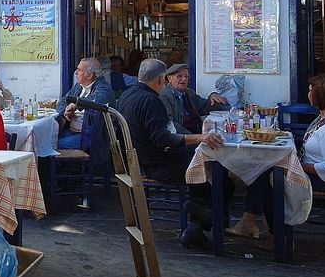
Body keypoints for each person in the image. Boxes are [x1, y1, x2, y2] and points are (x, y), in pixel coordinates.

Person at [117, 58, 232, 251]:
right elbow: (163, 138)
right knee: (216, 175)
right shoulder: (152, 100)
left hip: (140, 159)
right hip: (156, 165)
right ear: (162, 80)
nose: (184, 80)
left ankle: (201, 218)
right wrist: (199, 138)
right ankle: (203, 220)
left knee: (205, 170)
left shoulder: (128, 95)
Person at [229, 74, 325, 245]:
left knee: (269, 176)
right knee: (265, 169)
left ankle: (278, 237)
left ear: (322, 95)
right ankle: (253, 224)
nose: (309, 95)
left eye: (311, 91)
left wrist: (297, 166)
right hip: (316, 172)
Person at [57, 58, 115, 150]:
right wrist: (65, 111)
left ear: (90, 75)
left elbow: (95, 100)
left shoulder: (104, 88)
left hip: (90, 136)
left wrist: (75, 105)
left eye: (79, 70)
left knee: (54, 145)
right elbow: (64, 99)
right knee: (48, 141)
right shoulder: (79, 86)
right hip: (72, 130)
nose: (76, 73)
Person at [158, 63, 230, 135]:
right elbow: (170, 126)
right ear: (170, 78)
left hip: (197, 133)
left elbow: (204, 107)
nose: (184, 79)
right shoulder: (164, 96)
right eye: (179, 76)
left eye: (186, 76)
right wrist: (194, 139)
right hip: (183, 139)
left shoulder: (188, 93)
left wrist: (213, 96)